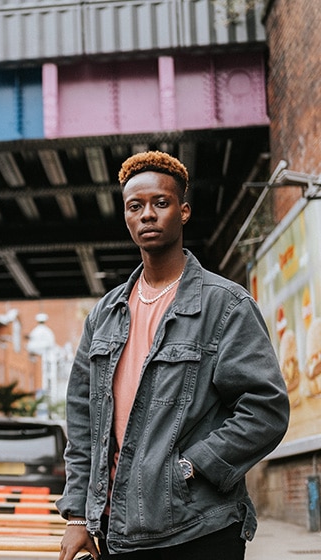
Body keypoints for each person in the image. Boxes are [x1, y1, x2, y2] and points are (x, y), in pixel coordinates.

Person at [56, 151, 290, 560]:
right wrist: (77, 516)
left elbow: (265, 409)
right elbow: (82, 420)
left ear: (183, 212)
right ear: (126, 216)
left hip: (198, 529)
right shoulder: (105, 315)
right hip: (116, 529)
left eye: (160, 203)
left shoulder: (226, 305)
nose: (148, 215)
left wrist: (190, 467)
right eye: (135, 206)